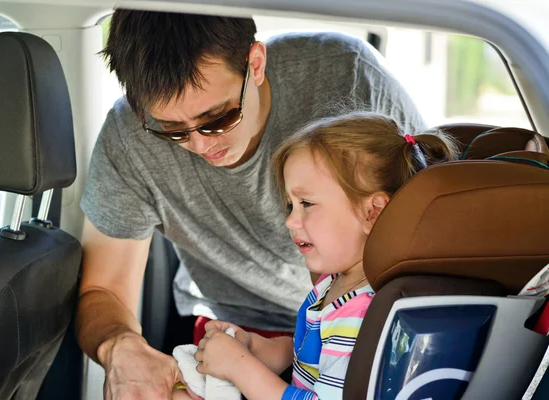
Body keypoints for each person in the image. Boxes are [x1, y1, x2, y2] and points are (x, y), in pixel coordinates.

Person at [75, 9, 427, 399]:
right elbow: (103, 290)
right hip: (240, 332)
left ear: (255, 64)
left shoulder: (349, 78)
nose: (202, 145)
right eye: (172, 131)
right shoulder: (129, 138)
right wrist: (120, 347)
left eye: (217, 118)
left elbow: (432, 226)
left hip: (364, 326)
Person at [182, 112, 459, 399]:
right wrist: (253, 347)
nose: (291, 220)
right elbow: (312, 354)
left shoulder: (362, 313)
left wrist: (240, 368)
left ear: (372, 212)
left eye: (307, 203)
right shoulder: (336, 284)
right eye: (291, 204)